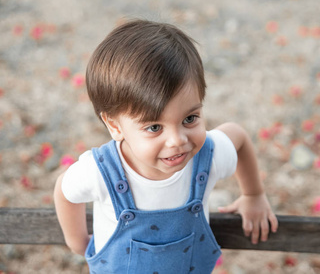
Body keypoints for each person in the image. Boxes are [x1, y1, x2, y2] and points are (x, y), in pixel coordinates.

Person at [54, 19, 278, 273]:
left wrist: (253, 195)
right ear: (115, 126)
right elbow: (64, 190)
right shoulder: (100, 173)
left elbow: (237, 137)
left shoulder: (207, 157)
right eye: (154, 127)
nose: (177, 141)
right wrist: (77, 241)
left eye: (189, 119)